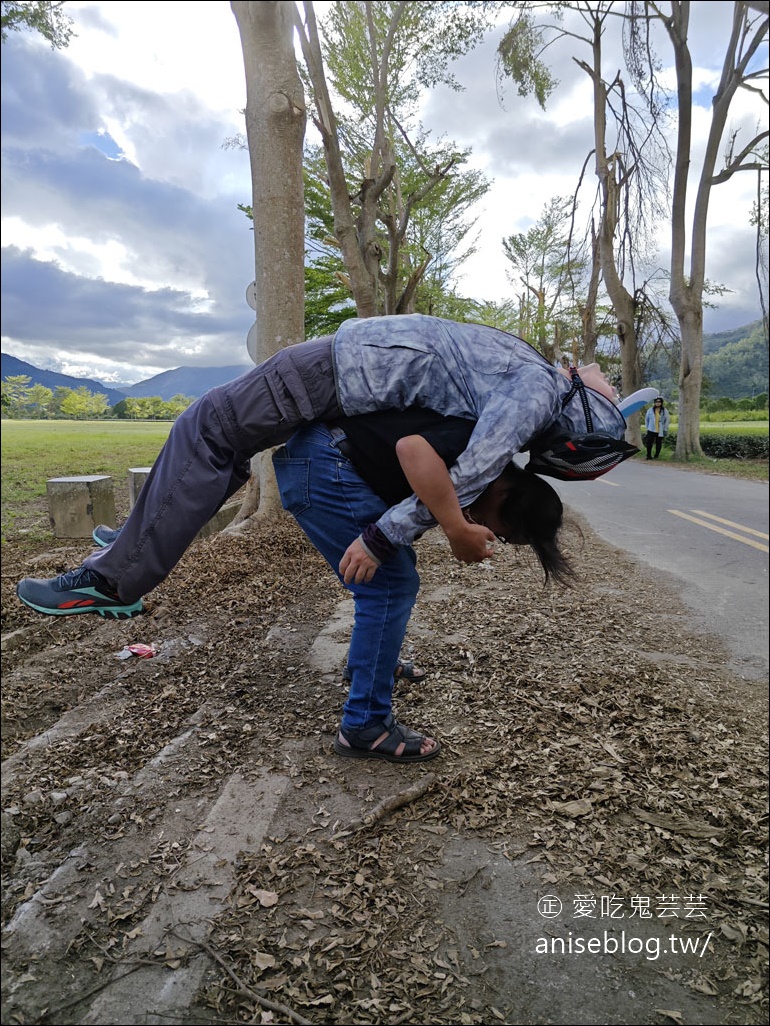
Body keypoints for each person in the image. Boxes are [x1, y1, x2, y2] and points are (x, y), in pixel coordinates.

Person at [16, 313, 635, 619]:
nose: (594, 378)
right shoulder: (537, 383)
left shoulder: (534, 383)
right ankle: (134, 548)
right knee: (216, 442)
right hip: (332, 372)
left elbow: (470, 471)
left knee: (205, 430)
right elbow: (470, 469)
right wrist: (444, 528)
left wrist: (413, 531)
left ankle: (114, 580)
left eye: (599, 389)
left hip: (331, 376)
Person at [272, 406, 572, 762]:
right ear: (505, 496)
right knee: (388, 585)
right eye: (500, 533)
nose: (489, 534)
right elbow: (411, 448)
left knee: (396, 566)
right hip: (324, 461)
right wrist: (456, 529)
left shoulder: (485, 472)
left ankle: (369, 664)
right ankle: (365, 725)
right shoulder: (480, 456)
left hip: (321, 457)